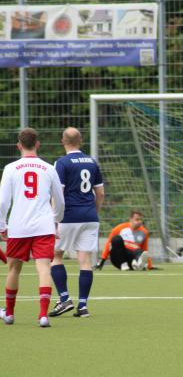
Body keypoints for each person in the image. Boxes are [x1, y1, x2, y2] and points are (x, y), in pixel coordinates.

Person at [0, 128, 64, 327]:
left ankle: (9, 314)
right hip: (44, 226)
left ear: (19, 145)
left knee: (13, 269)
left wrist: (2, 225)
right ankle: (43, 315)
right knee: (44, 267)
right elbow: (60, 201)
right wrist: (56, 221)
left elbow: (3, 202)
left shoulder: (11, 168)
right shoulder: (49, 168)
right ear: (37, 144)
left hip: (19, 226)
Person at [49, 127, 105, 318]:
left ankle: (64, 298)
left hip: (68, 216)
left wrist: (55, 218)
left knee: (55, 256)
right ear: (81, 140)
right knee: (85, 260)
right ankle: (83, 306)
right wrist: (94, 212)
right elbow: (100, 193)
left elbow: (58, 194)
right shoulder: (92, 162)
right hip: (90, 216)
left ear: (62, 141)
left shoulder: (62, 163)